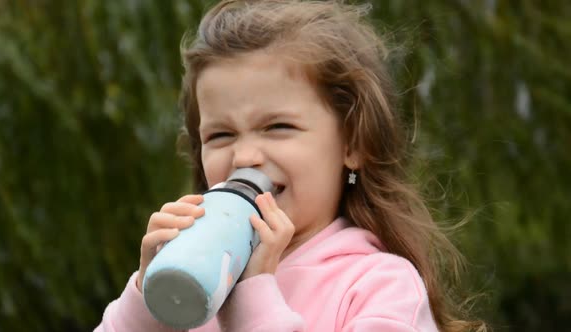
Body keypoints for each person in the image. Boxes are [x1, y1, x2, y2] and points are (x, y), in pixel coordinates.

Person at [96, 0, 486, 331]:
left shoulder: (379, 285)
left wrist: (255, 297)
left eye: (278, 127)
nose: (245, 156)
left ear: (352, 143)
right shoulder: (196, 278)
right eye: (220, 136)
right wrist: (147, 305)